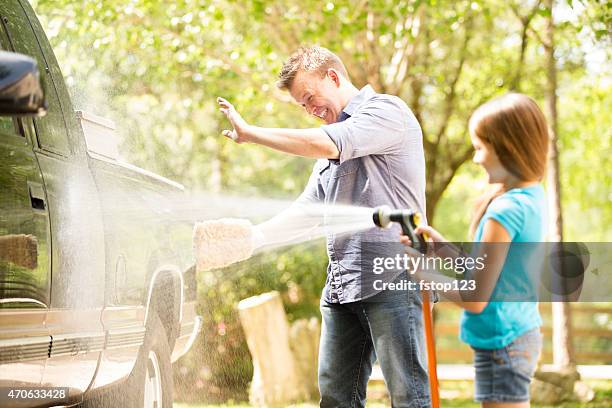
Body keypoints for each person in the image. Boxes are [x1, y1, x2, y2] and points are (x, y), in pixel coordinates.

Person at [218, 46, 431, 407]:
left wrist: (252, 133)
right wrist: (253, 238)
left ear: (333, 77)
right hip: (342, 287)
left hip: (392, 278)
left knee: (408, 398)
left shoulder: (385, 112)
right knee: (335, 398)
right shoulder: (330, 143)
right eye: (303, 106)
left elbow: (328, 143)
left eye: (310, 97)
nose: (311, 110)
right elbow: (308, 211)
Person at [401, 93, 549, 407]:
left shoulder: (504, 211)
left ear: (507, 148)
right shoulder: (532, 197)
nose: (476, 158)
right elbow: (490, 272)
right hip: (517, 334)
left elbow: (475, 297)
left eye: (480, 148)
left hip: (502, 343)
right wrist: (441, 248)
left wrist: (421, 273)